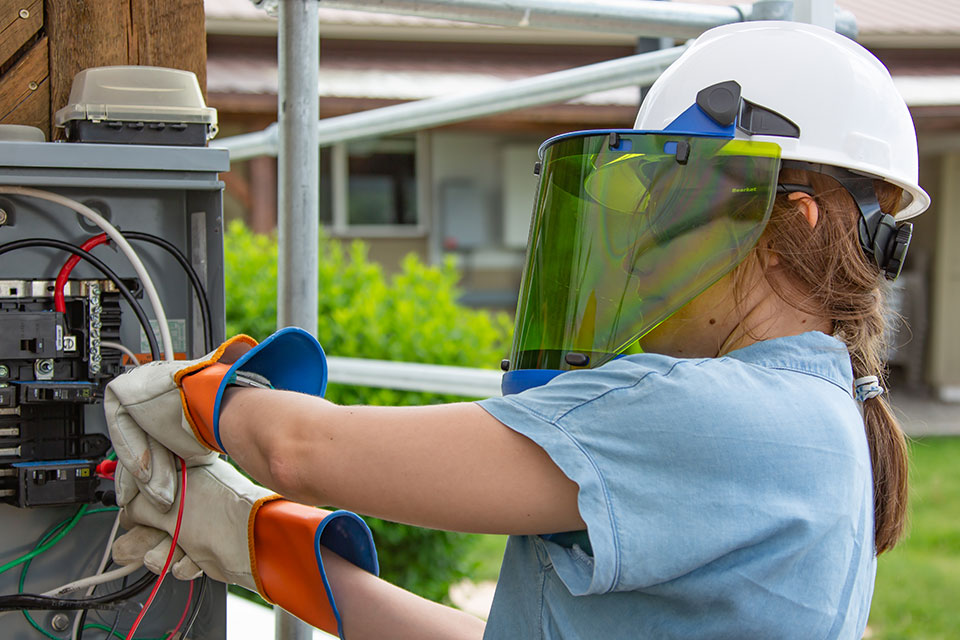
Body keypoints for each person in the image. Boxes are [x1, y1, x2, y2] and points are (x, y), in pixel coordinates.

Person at [105, 20, 928, 640]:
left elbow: (304, 453)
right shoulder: (820, 422)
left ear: (788, 221)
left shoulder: (714, 413)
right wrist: (263, 550)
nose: (638, 259)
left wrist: (192, 395)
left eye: (671, 215)